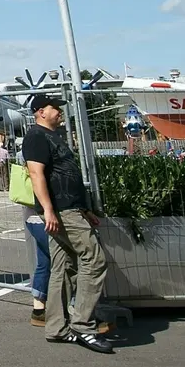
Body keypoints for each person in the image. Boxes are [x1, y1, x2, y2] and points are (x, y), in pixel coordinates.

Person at [24, 94, 112, 353]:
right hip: (61, 211)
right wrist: (49, 210)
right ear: (40, 112)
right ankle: (84, 325)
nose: (60, 112)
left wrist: (84, 208)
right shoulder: (37, 137)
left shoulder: (53, 136)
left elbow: (64, 174)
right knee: (94, 260)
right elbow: (35, 173)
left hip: (70, 210)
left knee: (62, 267)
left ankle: (56, 328)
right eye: (55, 108)